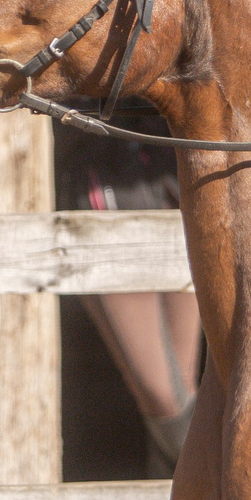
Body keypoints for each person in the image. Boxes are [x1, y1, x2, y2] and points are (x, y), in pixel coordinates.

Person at [58, 121, 201, 471]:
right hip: (104, 173)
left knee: (181, 384)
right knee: (161, 395)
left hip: (173, 166)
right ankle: (215, 489)